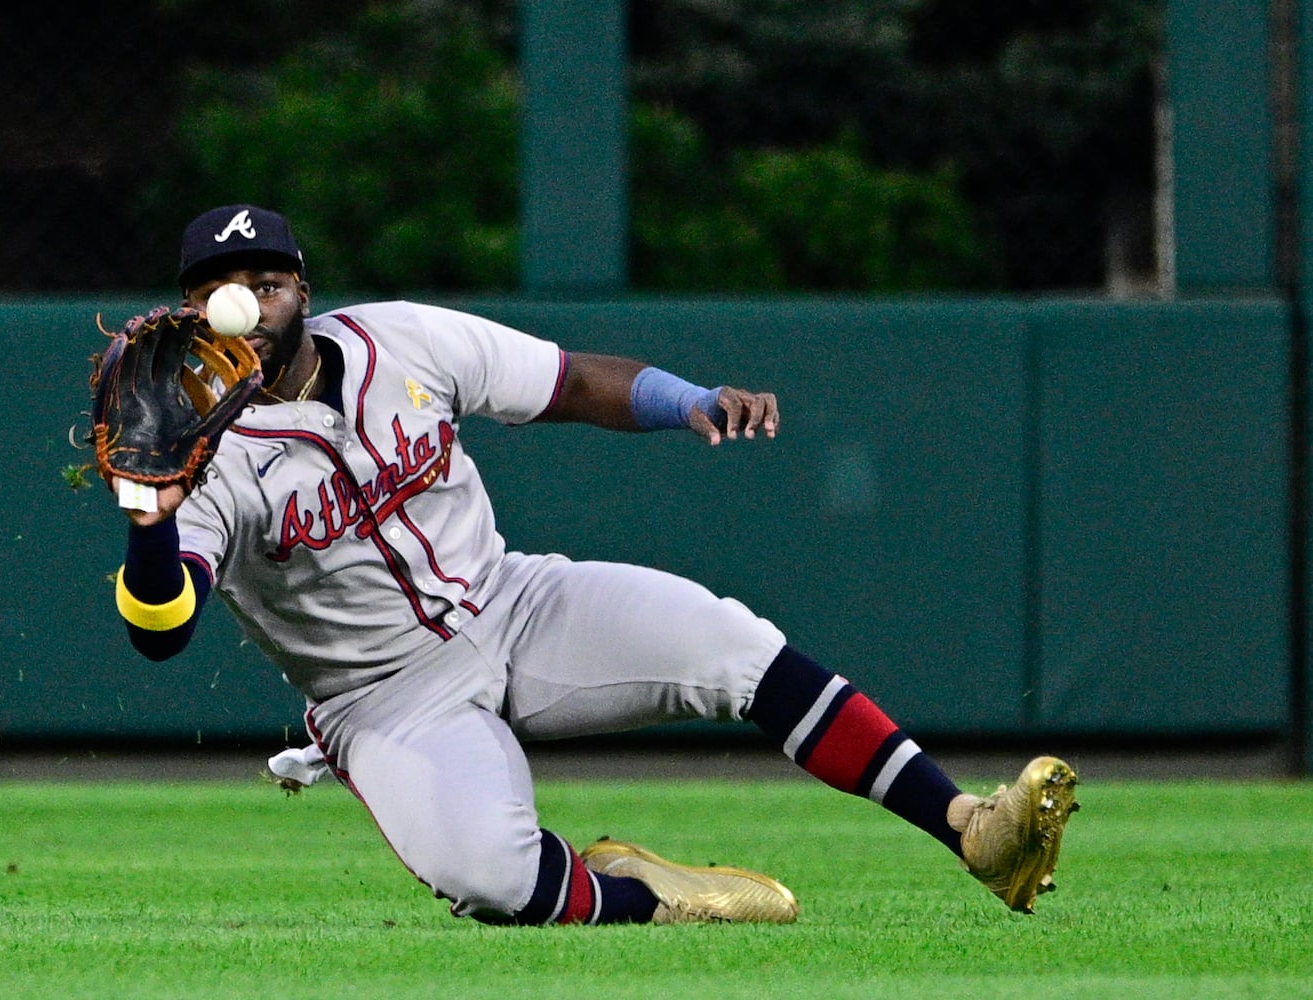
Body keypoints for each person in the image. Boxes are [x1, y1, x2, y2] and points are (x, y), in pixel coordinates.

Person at [106, 204, 1078, 925]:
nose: (251, 302)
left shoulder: (401, 338)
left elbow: (565, 380)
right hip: (387, 699)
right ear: (194, 315)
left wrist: (685, 398)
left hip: (514, 605)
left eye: (270, 280)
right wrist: (150, 517)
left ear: (303, 291)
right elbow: (161, 627)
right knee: (494, 878)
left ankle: (971, 828)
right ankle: (643, 894)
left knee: (735, 644)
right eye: (220, 291)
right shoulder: (209, 458)